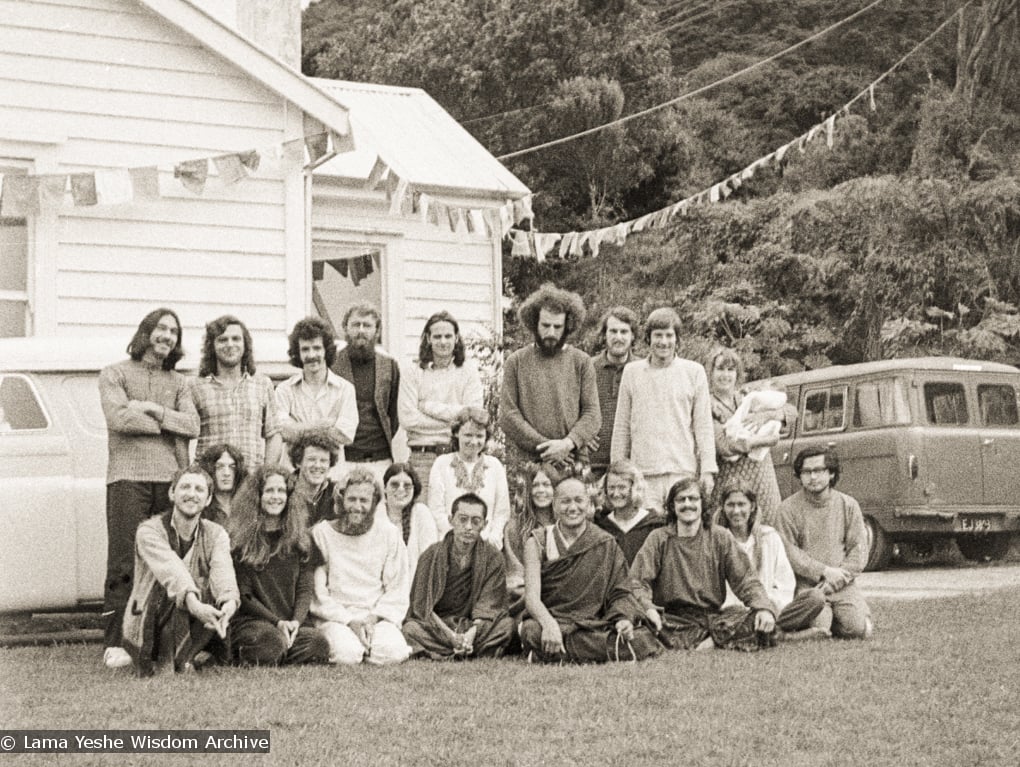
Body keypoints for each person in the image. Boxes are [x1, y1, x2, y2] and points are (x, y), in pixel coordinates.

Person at [99, 308, 200, 669]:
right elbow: (118, 418)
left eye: (174, 331)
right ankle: (119, 643)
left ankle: (158, 640)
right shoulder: (114, 373)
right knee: (126, 560)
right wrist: (167, 423)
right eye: (161, 328)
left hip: (170, 480)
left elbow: (192, 425)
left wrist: (153, 410)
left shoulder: (181, 382)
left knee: (167, 560)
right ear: (146, 332)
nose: (167, 336)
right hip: (127, 478)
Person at [632, 477, 777, 651]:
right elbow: (638, 582)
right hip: (672, 619)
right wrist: (648, 609)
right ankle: (716, 640)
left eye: (693, 499)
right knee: (639, 629)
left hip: (712, 618)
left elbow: (746, 579)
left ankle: (710, 642)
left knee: (752, 616)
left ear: (703, 503)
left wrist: (763, 608)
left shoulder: (720, 536)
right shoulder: (658, 538)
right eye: (681, 500)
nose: (687, 504)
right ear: (672, 506)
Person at [121, 464, 239, 676]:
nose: (192, 494)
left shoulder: (216, 533)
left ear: (209, 499)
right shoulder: (149, 530)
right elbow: (173, 572)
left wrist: (228, 603)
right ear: (172, 493)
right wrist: (194, 604)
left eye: (199, 489)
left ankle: (186, 657)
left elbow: (223, 572)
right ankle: (171, 660)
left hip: (195, 614)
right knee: (175, 593)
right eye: (185, 487)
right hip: (150, 618)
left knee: (211, 594)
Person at [520, 476, 645, 664]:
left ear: (588, 504)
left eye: (579, 501)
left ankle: (547, 654)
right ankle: (611, 650)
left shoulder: (605, 542)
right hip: (554, 620)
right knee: (532, 631)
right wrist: (549, 624)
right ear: (554, 506)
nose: (572, 508)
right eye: (565, 502)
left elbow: (621, 592)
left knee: (642, 638)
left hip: (593, 623)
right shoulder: (538, 541)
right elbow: (531, 598)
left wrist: (622, 619)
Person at [611, 307, 716, 512]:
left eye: (669, 335)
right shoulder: (632, 373)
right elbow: (622, 426)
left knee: (682, 533)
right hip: (643, 475)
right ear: (648, 339)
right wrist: (618, 471)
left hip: (682, 472)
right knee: (648, 535)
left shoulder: (694, 372)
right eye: (658, 335)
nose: (664, 342)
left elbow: (703, 425)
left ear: (677, 339)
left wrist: (708, 470)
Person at [228, 465, 331, 666]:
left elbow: (305, 588)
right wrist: (277, 623)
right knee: (269, 643)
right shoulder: (241, 540)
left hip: (292, 621)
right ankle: (277, 650)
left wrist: (295, 623)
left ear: (290, 496)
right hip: (254, 622)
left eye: (281, 491)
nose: (276, 497)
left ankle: (283, 648)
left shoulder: (302, 539)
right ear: (257, 496)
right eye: (269, 491)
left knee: (318, 644)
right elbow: (244, 595)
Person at [309, 468, 412, 665]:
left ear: (374, 503)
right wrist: (350, 621)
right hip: (336, 618)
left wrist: (372, 619)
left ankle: (368, 646)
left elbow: (397, 588)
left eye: (364, 501)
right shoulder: (322, 533)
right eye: (352, 499)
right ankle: (359, 649)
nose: (357, 506)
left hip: (376, 618)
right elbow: (318, 594)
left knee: (393, 652)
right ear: (341, 500)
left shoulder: (389, 533)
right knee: (347, 654)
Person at [775, 447, 873, 639]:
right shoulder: (787, 509)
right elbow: (789, 552)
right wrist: (823, 572)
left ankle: (846, 617)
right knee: (821, 625)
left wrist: (837, 579)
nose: (812, 477)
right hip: (808, 587)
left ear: (831, 473)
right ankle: (827, 621)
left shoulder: (849, 505)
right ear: (799, 475)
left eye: (818, 470)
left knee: (859, 629)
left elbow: (858, 551)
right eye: (806, 472)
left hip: (842, 583)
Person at [499, 283, 600, 469]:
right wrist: (548, 448)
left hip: (572, 460)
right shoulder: (516, 361)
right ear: (534, 323)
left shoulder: (582, 362)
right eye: (545, 325)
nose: (551, 332)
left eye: (557, 326)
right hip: (530, 463)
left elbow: (592, 414)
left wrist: (567, 444)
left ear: (568, 326)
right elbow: (508, 415)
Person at [403, 493, 514, 660]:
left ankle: (449, 651)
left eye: (475, 521)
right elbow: (422, 606)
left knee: (507, 626)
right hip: (440, 626)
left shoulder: (493, 557)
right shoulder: (431, 555)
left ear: (485, 524)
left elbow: (491, 604)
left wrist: (471, 633)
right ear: (451, 520)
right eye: (462, 519)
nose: (468, 527)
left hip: (474, 626)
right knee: (410, 629)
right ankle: (470, 651)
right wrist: (451, 636)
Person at [717, 485, 827, 637]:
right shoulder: (718, 540)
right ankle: (783, 635)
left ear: (752, 506)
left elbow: (784, 583)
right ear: (723, 507)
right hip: (734, 613)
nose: (736, 511)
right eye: (730, 505)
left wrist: (768, 609)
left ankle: (767, 630)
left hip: (771, 610)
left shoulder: (769, 537)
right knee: (730, 620)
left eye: (741, 504)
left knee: (815, 598)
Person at [398, 311, 484, 494]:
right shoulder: (412, 372)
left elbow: (473, 417)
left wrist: (427, 407)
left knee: (459, 514)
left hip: (459, 455)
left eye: (448, 336)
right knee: (420, 515)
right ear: (428, 338)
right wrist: (456, 421)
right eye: (437, 336)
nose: (443, 342)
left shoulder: (469, 371)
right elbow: (407, 419)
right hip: (422, 457)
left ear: (457, 338)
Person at [708, 349, 794, 525]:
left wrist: (768, 416)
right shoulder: (707, 404)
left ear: (737, 373)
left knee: (768, 532)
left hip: (762, 479)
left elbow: (792, 412)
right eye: (720, 369)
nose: (725, 375)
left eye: (730, 370)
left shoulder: (749, 396)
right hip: (728, 481)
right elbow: (723, 445)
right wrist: (763, 441)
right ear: (711, 372)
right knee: (730, 537)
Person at [191, 315, 282, 468]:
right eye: (222, 340)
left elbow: (274, 435)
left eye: (236, 339)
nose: (230, 344)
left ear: (245, 344)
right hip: (210, 479)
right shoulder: (196, 386)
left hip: (251, 480)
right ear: (211, 346)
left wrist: (264, 475)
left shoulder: (262, 384)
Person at [275, 316, 358, 475]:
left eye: (317, 348)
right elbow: (283, 432)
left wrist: (299, 428)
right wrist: (324, 424)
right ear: (297, 353)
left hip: (332, 476)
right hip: (292, 475)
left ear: (326, 350)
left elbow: (344, 435)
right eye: (305, 349)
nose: (312, 354)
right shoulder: (284, 390)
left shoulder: (345, 389)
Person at [331, 303, 400, 484]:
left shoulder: (389, 366)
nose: (361, 331)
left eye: (367, 325)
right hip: (343, 460)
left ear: (377, 331)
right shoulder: (331, 365)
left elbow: (394, 414)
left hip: (381, 459)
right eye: (356, 325)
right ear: (345, 328)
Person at [427, 407, 510, 550]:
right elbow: (436, 509)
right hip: (450, 546)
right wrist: (456, 539)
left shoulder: (495, 466)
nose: (474, 441)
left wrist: (493, 538)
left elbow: (502, 512)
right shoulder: (442, 464)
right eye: (468, 435)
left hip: (486, 546)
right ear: (456, 433)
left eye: (479, 436)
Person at [588, 307, 640, 480]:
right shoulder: (587, 368)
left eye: (624, 331)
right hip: (593, 465)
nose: (618, 337)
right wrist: (580, 435)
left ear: (633, 335)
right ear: (604, 335)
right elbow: (567, 408)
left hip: (633, 466)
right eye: (613, 331)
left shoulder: (643, 370)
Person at [502, 462, 564, 601]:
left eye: (546, 485)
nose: (540, 490)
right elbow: (514, 576)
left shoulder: (566, 526)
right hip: (525, 598)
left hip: (563, 597)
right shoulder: (514, 528)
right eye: (535, 485)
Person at [593, 459, 665, 565]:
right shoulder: (602, 526)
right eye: (611, 488)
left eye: (622, 487)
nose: (616, 493)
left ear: (634, 488)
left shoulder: (654, 525)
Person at [378, 463, 440, 581]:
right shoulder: (378, 513)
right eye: (394, 484)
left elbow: (429, 563)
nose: (401, 489)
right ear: (385, 488)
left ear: (414, 489)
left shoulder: (421, 513)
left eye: (407, 485)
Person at [287, 429, 342, 527]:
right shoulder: (284, 491)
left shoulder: (336, 492)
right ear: (298, 462)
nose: (317, 465)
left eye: (323, 461)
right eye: (311, 459)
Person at [196, 443, 246, 527]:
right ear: (210, 469)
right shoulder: (200, 507)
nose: (226, 473)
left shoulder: (247, 505)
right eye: (219, 467)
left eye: (232, 467)